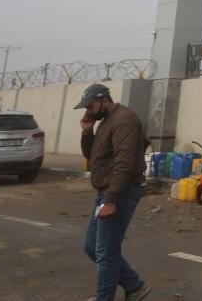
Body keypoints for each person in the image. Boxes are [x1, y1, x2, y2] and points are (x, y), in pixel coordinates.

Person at [76, 82, 152, 301]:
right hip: (106, 192)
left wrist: (111, 199)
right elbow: (93, 155)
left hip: (119, 192)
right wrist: (87, 132)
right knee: (92, 247)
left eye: (90, 106)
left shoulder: (124, 119)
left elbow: (124, 163)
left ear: (104, 101)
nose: (87, 111)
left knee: (106, 252)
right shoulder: (107, 121)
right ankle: (134, 286)